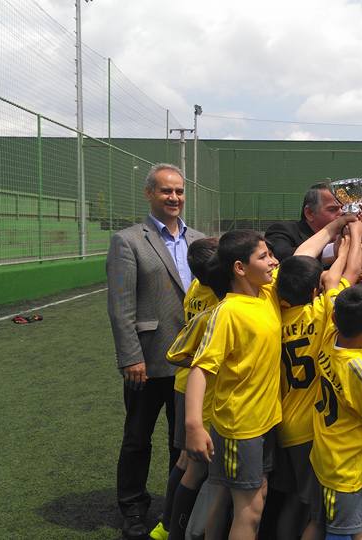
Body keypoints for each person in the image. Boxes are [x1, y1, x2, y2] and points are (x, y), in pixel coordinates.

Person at [106, 163, 205, 540]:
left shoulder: (200, 240)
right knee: (137, 438)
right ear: (149, 193)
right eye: (166, 191)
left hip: (191, 363)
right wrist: (131, 357)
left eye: (179, 191)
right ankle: (133, 508)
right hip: (147, 360)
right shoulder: (128, 240)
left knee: (182, 442)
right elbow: (121, 306)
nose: (174, 197)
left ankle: (174, 509)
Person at [272, 218, 362, 539]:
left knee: (295, 497)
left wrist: (341, 249)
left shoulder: (275, 313)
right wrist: (354, 237)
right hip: (311, 427)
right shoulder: (322, 312)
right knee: (314, 508)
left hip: (284, 420)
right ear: (316, 290)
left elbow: (318, 267)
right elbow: (348, 276)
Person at [185, 230, 281, 539]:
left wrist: (340, 226)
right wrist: (194, 426)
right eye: (264, 256)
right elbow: (201, 369)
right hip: (241, 426)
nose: (273, 261)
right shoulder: (228, 312)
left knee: (252, 495)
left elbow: (305, 252)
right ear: (240, 268)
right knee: (249, 510)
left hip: (265, 421)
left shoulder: (265, 293)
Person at [307, 284, 362, 540]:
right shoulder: (357, 368)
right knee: (340, 533)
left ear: (334, 318)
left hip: (324, 454)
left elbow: (333, 290)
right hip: (346, 468)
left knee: (317, 524)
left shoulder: (328, 336)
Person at [163, 238, 220, 540]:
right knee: (192, 465)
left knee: (185, 460)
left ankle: (166, 524)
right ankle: (172, 527)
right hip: (199, 386)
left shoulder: (196, 286)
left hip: (184, 383)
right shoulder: (216, 298)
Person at [265, 183, 343, 263]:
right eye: (332, 209)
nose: (342, 213)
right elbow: (284, 258)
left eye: (344, 208)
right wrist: (332, 250)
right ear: (309, 213)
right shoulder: (283, 231)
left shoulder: (346, 236)